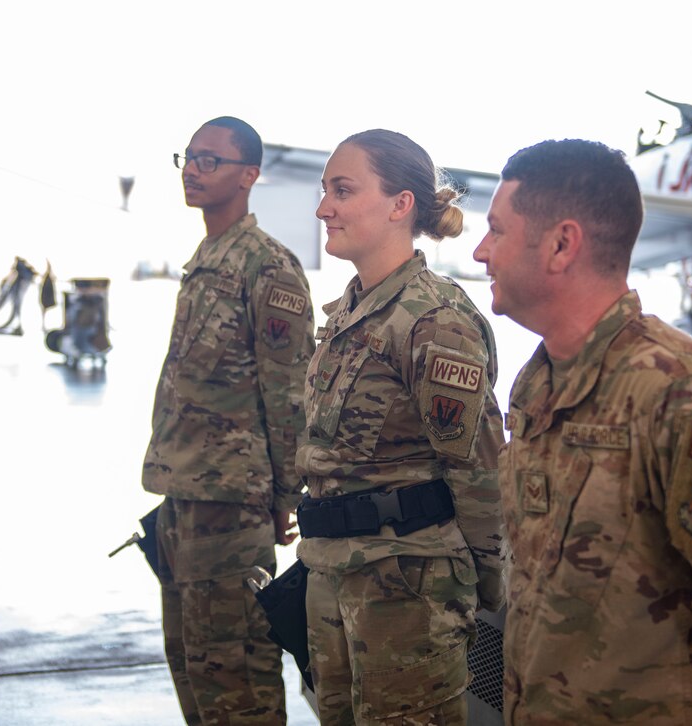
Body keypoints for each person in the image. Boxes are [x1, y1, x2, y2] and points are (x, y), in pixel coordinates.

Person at [473, 138, 692, 724]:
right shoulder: (538, 384)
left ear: (562, 244)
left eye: (497, 230)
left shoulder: (686, 396)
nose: (480, 250)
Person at [295, 129, 507, 725]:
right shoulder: (349, 313)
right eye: (324, 190)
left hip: (408, 590)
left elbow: (478, 469)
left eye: (343, 190)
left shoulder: (432, 319)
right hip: (333, 575)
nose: (323, 208)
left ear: (400, 204)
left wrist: (489, 590)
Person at [142, 116, 316, 724]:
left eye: (209, 160)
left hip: (231, 505)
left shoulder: (267, 266)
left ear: (249, 175)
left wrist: (286, 495)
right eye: (188, 157)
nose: (193, 169)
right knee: (190, 663)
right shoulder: (207, 257)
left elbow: (289, 389)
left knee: (236, 675)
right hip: (183, 498)